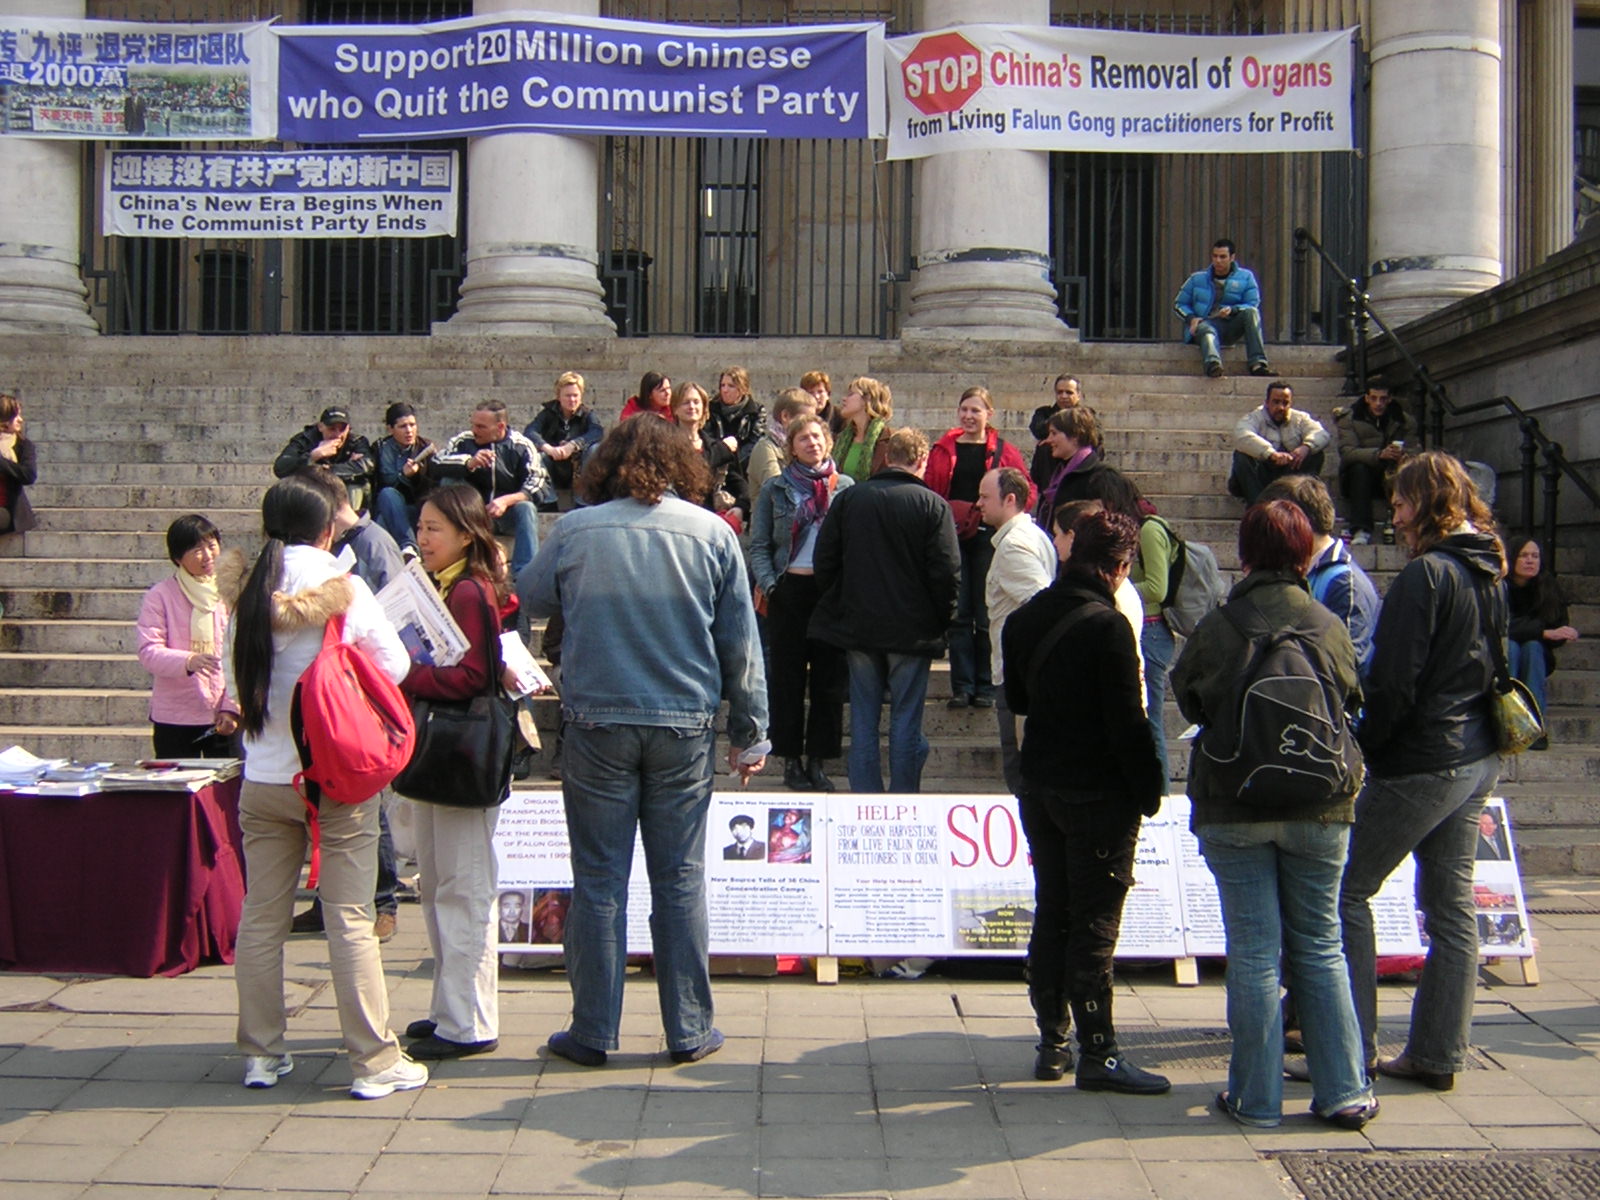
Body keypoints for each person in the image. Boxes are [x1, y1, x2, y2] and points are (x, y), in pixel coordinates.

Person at [519, 416, 768, 1068]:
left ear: (605, 465)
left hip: (598, 720)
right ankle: (689, 1029)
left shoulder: (577, 529)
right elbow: (741, 646)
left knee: (598, 879)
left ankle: (592, 1031)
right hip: (683, 724)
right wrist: (750, 732)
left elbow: (529, 595)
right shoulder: (713, 533)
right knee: (680, 878)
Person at [1171, 500, 1378, 1131]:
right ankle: (1344, 1090)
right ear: (1305, 554)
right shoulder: (1326, 622)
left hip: (1234, 802)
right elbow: (1352, 695)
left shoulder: (1220, 625)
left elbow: (1188, 695)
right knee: (1321, 945)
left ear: (1244, 555)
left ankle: (1255, 1099)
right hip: (1321, 804)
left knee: (1254, 953)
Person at [223, 474, 425, 1100]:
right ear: (326, 528)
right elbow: (395, 665)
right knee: (350, 918)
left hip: (263, 777)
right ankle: (373, 1060)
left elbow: (231, 688)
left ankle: (261, 1054)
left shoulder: (246, 593)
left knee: (262, 917)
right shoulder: (344, 588)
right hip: (334, 778)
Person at [1339, 451, 1507, 1093]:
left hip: (1427, 758)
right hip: (1476, 753)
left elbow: (1394, 681)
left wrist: (1368, 748)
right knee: (1451, 909)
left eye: (1403, 503)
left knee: (1344, 891)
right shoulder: (1487, 566)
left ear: (1428, 504)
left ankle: (1349, 1048)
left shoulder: (1427, 575)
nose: (1397, 516)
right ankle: (1438, 1054)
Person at [1001, 510, 1169, 1095]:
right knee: (1095, 922)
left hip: (1041, 783)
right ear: (1119, 567)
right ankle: (1099, 1049)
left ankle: (1052, 1041)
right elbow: (1129, 723)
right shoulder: (1109, 626)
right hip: (1097, 791)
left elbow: (1018, 699)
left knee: (1053, 908)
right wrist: (1150, 791)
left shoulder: (1024, 619)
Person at [398, 483, 516, 1061]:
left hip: (462, 752)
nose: (424, 539)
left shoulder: (468, 589)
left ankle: (469, 1022)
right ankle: (448, 1007)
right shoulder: (443, 584)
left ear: (466, 535)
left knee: (463, 888)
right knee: (439, 884)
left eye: (434, 529)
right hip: (440, 752)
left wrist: (405, 673)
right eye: (421, 528)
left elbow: (473, 676)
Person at [288, 468, 407, 944]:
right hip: (327, 703)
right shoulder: (332, 554)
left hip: (355, 695)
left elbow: (397, 616)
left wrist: (357, 671)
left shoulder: (371, 543)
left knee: (366, 808)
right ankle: (328, 902)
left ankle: (383, 902)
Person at [810, 428, 960, 794]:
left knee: (864, 720)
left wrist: (842, 601)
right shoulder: (932, 505)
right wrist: (943, 619)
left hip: (859, 625)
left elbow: (824, 560)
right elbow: (946, 572)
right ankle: (904, 802)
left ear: (888, 457)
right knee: (906, 720)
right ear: (921, 461)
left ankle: (865, 801)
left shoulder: (850, 499)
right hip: (912, 629)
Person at [749, 415, 852, 793]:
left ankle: (818, 761)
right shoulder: (775, 488)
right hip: (788, 589)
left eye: (817, 436)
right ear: (791, 446)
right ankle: (790, 759)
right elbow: (759, 545)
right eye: (803, 438)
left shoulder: (845, 488)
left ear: (828, 441)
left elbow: (852, 545)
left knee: (829, 681)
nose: (812, 443)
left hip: (829, 594)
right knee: (787, 679)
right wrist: (771, 586)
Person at [925, 386, 1033, 710]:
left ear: (989, 414)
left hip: (988, 537)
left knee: (986, 613)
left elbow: (1025, 489)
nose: (969, 416)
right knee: (960, 614)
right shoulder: (943, 448)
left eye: (976, 410)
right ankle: (962, 686)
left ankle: (986, 684)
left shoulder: (1004, 451)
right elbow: (931, 488)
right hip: (953, 535)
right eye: (964, 409)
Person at [977, 466, 1057, 798]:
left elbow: (1041, 603)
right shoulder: (1030, 535)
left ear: (1009, 500)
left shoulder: (1014, 545)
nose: (978, 504)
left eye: (985, 497)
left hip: (1018, 675)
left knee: (1021, 772)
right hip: (1021, 671)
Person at [136, 514, 241, 758]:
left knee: (225, 781)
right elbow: (149, 651)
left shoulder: (232, 591)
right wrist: (188, 661)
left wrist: (232, 707)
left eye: (211, 545)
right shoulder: (160, 596)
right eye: (196, 550)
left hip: (222, 714)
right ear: (177, 558)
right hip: (175, 716)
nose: (208, 555)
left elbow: (242, 653)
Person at [1258, 474, 1381, 675]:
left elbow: (1347, 667)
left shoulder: (1344, 582)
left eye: (1273, 527)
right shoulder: (1305, 571)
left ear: (1297, 523)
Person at [432, 399, 548, 576]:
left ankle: (525, 574)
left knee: (526, 507)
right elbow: (436, 463)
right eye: (473, 424)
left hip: (508, 515)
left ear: (500, 427)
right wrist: (469, 463)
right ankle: (452, 561)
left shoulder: (521, 445)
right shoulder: (463, 441)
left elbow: (538, 482)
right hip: (474, 515)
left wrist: (505, 501)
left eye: (481, 427)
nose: (474, 430)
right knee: (449, 483)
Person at [1506, 536, 1578, 747]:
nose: (1530, 561)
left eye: (1535, 556)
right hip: (1503, 652)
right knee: (1512, 648)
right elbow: (1498, 626)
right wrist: (1542, 631)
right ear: (1512, 559)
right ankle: (1508, 721)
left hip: (1536, 655)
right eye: (1524, 556)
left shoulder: (1548, 586)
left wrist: (1561, 633)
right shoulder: (1499, 586)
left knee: (1532, 647)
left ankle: (1535, 726)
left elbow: (1556, 627)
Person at [1173, 238, 1271, 378]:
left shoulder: (1246, 277)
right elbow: (1179, 304)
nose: (1218, 260)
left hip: (1230, 325)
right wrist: (1191, 318)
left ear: (1232, 257)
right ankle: (1213, 365)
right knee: (1207, 329)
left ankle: (1258, 364)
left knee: (1252, 313)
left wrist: (1233, 310)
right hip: (1204, 323)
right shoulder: (1196, 279)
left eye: (1223, 257)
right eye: (1215, 256)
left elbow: (1252, 303)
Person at [1334, 383, 1416, 543]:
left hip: (1391, 473)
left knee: (1410, 471)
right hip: (1358, 478)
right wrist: (1379, 454)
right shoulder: (1350, 418)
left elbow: (1415, 450)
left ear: (1390, 399)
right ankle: (1361, 529)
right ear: (1366, 398)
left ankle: (1410, 525)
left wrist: (1403, 456)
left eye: (1383, 399)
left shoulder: (1404, 421)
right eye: (1374, 398)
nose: (1378, 403)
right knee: (1359, 468)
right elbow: (1347, 452)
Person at [1228, 382, 1329, 504]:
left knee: (1315, 454)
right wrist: (1271, 454)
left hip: (1289, 472)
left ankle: (1297, 504)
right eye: (1276, 402)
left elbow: (1321, 434)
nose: (1281, 407)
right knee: (1241, 456)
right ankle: (1258, 505)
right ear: (1267, 402)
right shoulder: (1254, 417)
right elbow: (1241, 435)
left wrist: (1306, 446)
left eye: (1285, 403)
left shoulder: (1300, 418)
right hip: (1261, 475)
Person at [672, 381, 748, 528]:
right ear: (675, 408)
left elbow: (740, 484)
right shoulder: (666, 444)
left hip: (708, 523)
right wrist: (722, 451)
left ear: (704, 407)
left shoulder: (713, 445)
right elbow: (690, 469)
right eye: (686, 402)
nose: (692, 406)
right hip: (677, 522)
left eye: (696, 402)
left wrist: (741, 507)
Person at [525, 371, 605, 505]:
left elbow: (597, 432)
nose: (572, 400)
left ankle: (584, 500)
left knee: (595, 449)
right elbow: (530, 431)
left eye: (575, 395)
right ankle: (549, 501)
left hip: (578, 466)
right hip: (553, 464)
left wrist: (573, 445)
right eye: (567, 395)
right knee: (535, 454)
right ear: (558, 396)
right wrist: (548, 448)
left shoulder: (587, 415)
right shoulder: (547, 414)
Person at [272, 405, 374, 510]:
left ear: (348, 428)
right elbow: (280, 468)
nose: (337, 435)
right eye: (332, 429)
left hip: (344, 490)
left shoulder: (356, 441)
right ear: (320, 427)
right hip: (312, 490)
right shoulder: (305, 440)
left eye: (342, 429)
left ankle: (350, 521)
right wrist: (313, 456)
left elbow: (368, 465)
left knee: (356, 487)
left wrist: (328, 470)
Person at [371, 402, 435, 559]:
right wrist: (402, 475)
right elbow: (381, 484)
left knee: (383, 521)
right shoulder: (381, 448)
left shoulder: (425, 447)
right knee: (387, 496)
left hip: (416, 506)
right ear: (390, 429)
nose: (409, 431)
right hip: (389, 504)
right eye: (403, 426)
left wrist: (415, 476)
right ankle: (408, 547)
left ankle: (408, 548)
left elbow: (431, 485)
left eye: (412, 425)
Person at [1034, 406, 1110, 529]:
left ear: (1075, 436)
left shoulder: (1098, 477)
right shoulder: (1059, 470)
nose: (1049, 439)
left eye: (1054, 433)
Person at [747, 388, 818, 496]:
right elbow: (777, 490)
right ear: (785, 416)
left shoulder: (806, 446)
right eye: (805, 419)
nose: (810, 424)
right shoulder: (766, 448)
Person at [832, 376, 893, 483]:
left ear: (867, 399)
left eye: (851, 394)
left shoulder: (891, 440)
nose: (844, 399)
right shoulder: (840, 439)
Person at [1029, 374, 1082, 494]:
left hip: (1077, 466)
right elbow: (1038, 429)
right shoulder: (1043, 412)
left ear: (1078, 395)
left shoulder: (1087, 415)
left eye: (1069, 392)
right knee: (1046, 447)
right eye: (1060, 392)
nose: (1063, 396)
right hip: (1048, 469)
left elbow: (1095, 435)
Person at [0, 391, 37, 535]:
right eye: (15, 416)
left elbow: (28, 475)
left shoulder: (23, 445)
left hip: (7, 509)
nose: (20, 420)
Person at [713, 366, 766, 465]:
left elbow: (755, 442)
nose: (725, 390)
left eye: (731, 386)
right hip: (716, 463)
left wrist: (733, 462)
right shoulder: (711, 409)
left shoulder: (756, 412)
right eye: (722, 385)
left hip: (743, 466)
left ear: (743, 389)